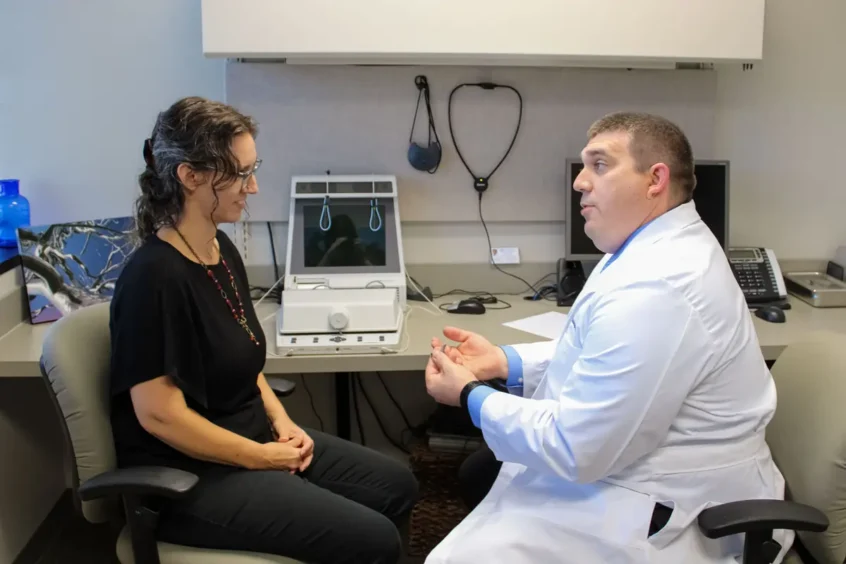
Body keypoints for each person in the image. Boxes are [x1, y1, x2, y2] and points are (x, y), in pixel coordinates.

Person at [423, 112, 791, 563]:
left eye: (599, 165)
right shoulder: (651, 247)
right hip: (638, 467)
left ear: (655, 179)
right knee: (489, 482)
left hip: (668, 507)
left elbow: (577, 449)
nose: (580, 182)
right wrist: (503, 362)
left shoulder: (660, 283)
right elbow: (606, 354)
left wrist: (469, 395)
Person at [109, 96, 418, 564]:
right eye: (239, 173)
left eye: (254, 169)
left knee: (397, 485)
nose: (252, 187)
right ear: (190, 177)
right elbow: (159, 415)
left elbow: (247, 361)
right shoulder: (153, 278)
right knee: (373, 539)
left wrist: (283, 424)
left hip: (251, 441)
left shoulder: (219, 250)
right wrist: (260, 457)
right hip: (189, 476)